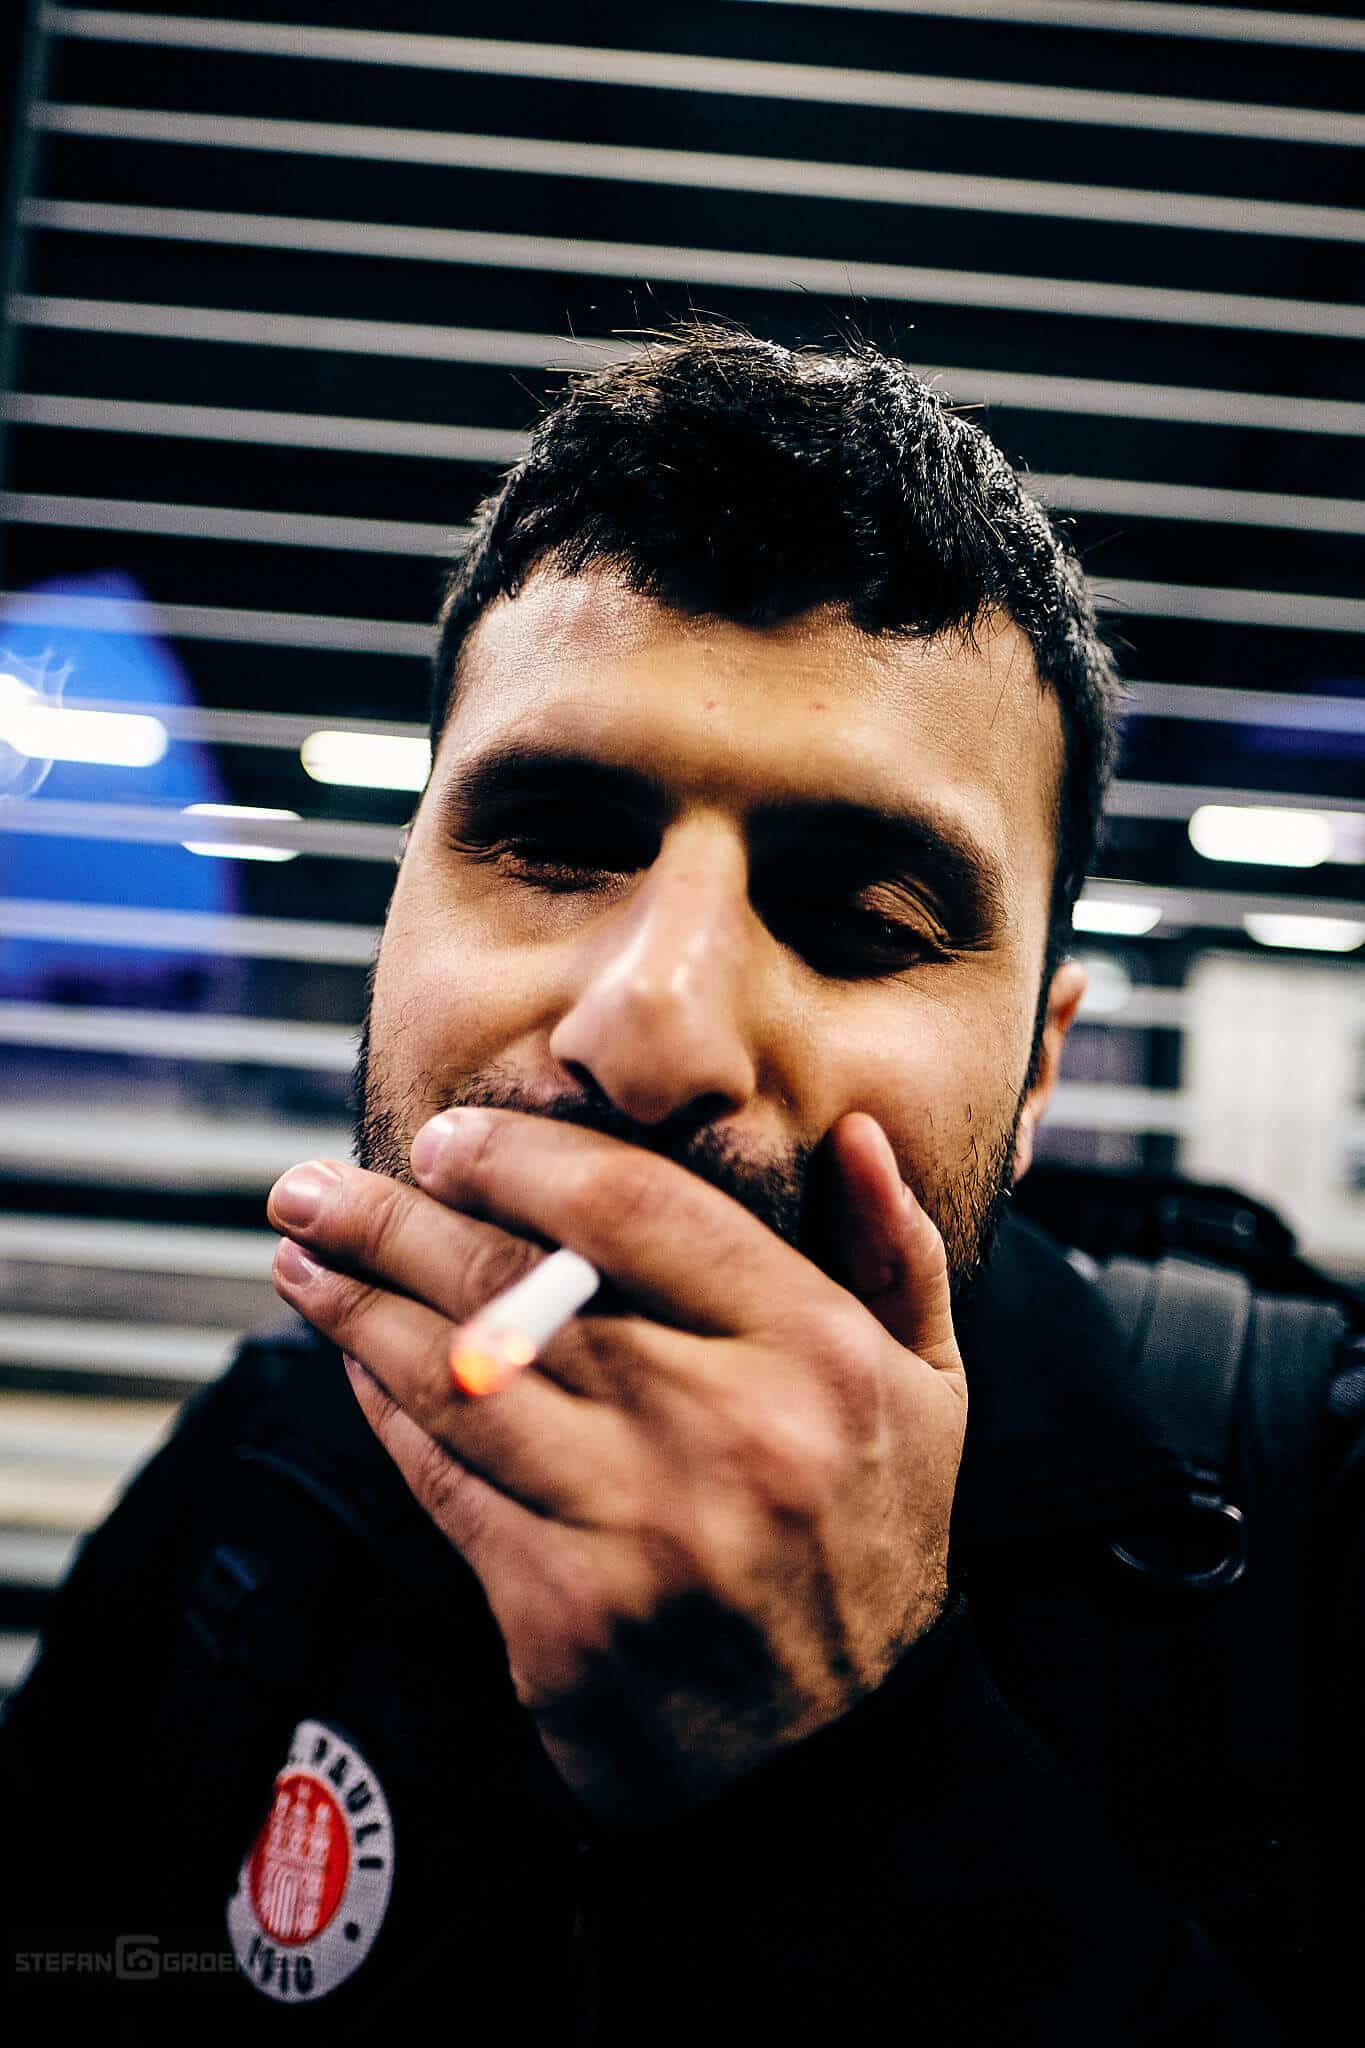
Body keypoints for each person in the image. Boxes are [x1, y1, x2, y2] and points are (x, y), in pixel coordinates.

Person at [0, 325, 1345, 2039]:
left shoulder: (1297, 1529)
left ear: (1037, 1074)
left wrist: (856, 1762)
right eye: (555, 844)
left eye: (862, 920)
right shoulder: (259, 1481)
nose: (651, 1030)